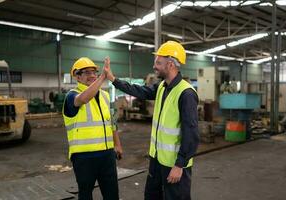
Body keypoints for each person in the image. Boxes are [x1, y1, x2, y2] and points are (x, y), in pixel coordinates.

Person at [104, 41, 199, 200]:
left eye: (158, 62)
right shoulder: (162, 86)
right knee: (151, 196)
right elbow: (139, 91)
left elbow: (192, 134)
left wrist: (179, 164)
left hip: (173, 163)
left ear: (170, 65)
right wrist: (113, 79)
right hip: (156, 160)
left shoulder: (186, 93)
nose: (154, 66)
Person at [62, 57, 122, 200]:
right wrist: (103, 77)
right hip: (84, 157)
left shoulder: (105, 96)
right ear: (77, 76)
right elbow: (83, 99)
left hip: (107, 154)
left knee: (112, 194)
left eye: (94, 72)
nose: (92, 76)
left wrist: (117, 144)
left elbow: (112, 122)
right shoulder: (72, 96)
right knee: (85, 194)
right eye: (87, 72)